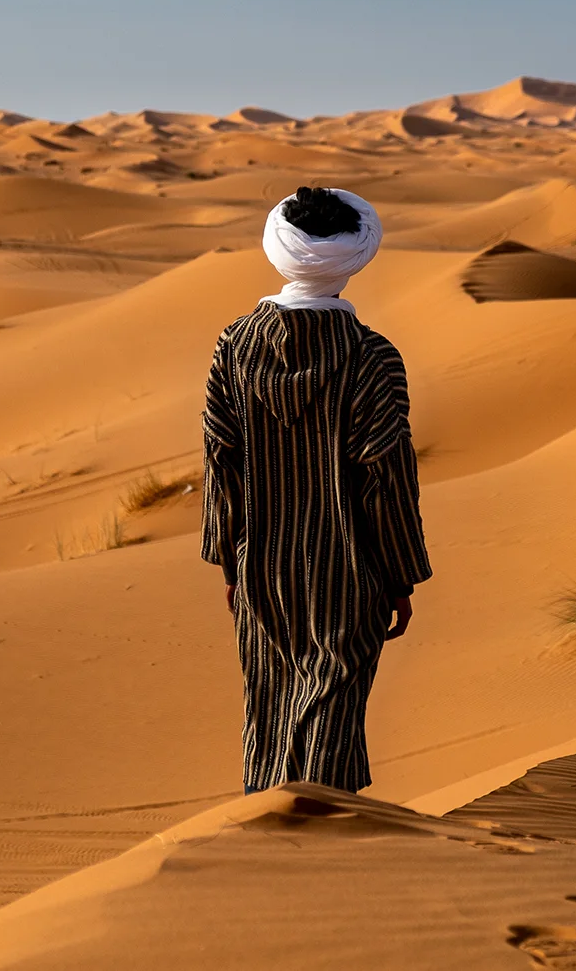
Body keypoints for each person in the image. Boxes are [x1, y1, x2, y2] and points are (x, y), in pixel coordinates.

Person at [202, 186, 429, 795]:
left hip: (260, 568)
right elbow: (386, 474)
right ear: (357, 258)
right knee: (334, 714)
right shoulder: (372, 357)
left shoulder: (233, 345)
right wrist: (401, 574)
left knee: (269, 709)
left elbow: (220, 463)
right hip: (348, 572)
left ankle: (270, 831)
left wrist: (228, 559)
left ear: (278, 250)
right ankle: (315, 842)